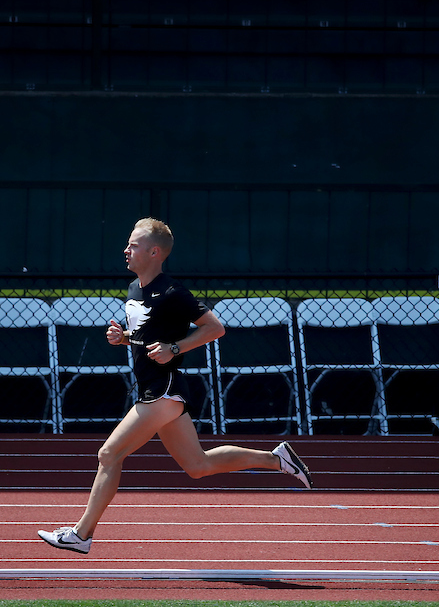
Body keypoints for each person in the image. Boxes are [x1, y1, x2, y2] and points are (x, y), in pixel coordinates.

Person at [39, 218, 312, 555]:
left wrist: (175, 349)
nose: (126, 250)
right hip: (156, 388)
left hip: (164, 389)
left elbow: (214, 328)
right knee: (198, 466)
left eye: (134, 245)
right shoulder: (135, 289)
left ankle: (82, 534)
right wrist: (124, 338)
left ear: (154, 252)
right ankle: (276, 459)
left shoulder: (173, 292)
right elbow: (150, 336)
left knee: (109, 454)